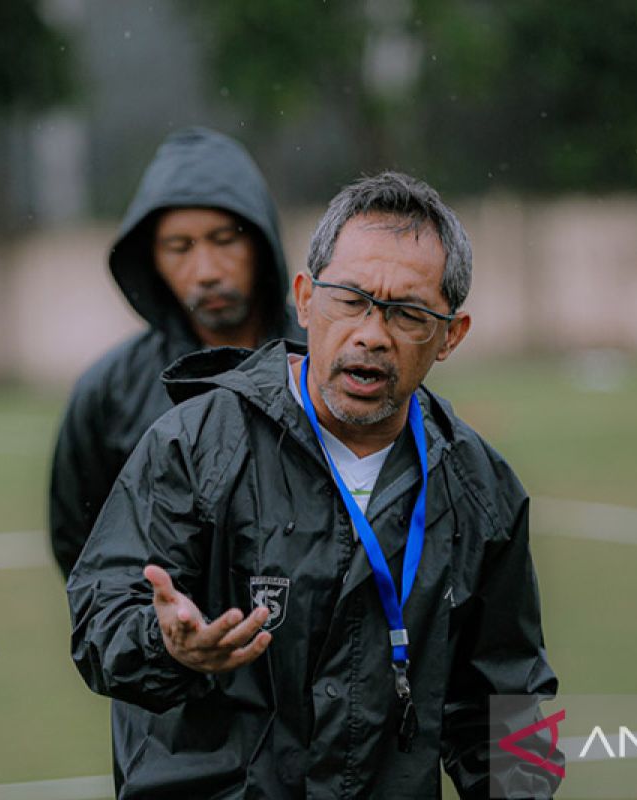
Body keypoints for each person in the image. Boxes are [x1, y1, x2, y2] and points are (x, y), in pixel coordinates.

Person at [67, 172, 558, 797]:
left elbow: (506, 700)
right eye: (350, 299)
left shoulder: (480, 489)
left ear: (450, 336)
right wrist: (167, 647)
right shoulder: (194, 444)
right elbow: (98, 621)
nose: (371, 334)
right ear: (305, 299)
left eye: (408, 313)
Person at [49, 126, 302, 580]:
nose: (205, 270)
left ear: (262, 242)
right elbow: (84, 554)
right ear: (152, 260)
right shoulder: (109, 392)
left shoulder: (324, 361)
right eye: (179, 247)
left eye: (224, 240)